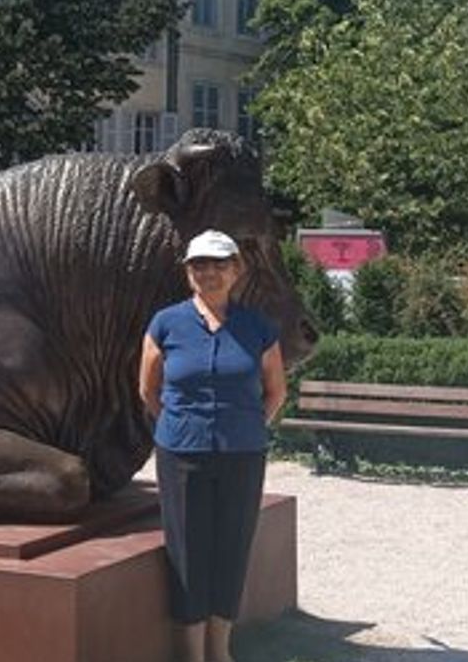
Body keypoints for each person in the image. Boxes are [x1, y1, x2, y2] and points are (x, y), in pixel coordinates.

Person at [139, 229, 288, 662]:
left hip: (242, 454)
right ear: (188, 273)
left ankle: (220, 651)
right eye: (199, 264)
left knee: (231, 546)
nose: (209, 272)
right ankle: (191, 654)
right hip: (181, 453)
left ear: (236, 270)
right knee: (187, 551)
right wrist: (179, 425)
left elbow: (275, 391)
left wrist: (247, 427)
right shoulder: (166, 323)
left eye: (219, 263)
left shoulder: (256, 327)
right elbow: (148, 389)